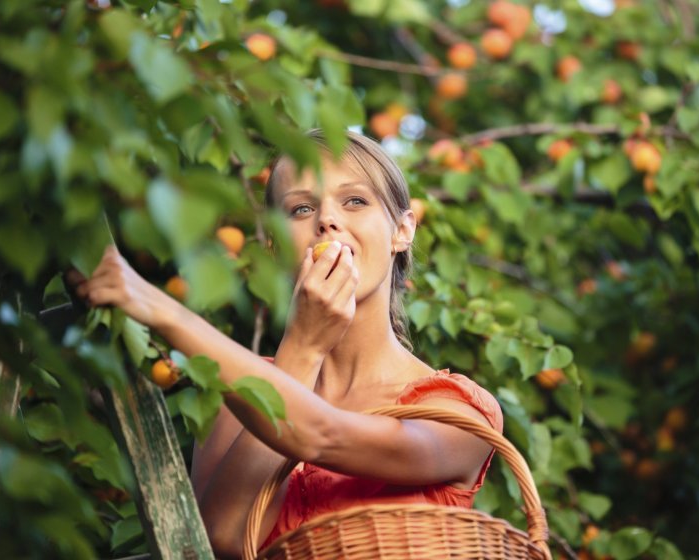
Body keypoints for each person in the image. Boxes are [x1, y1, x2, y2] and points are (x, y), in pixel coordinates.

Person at [68, 130, 503, 559]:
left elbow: (321, 435)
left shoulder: (456, 410)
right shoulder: (236, 393)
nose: (327, 220)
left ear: (402, 230)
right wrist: (301, 347)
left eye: (355, 200)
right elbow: (219, 540)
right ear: (274, 246)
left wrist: (157, 307)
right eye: (301, 208)